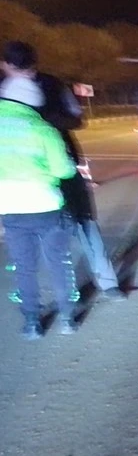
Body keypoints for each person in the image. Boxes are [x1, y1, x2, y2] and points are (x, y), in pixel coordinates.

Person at [1, 41, 126, 302]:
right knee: (28, 239)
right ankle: (42, 301)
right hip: (20, 177)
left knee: (83, 220)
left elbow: (77, 118)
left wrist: (47, 121)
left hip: (60, 166)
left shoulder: (53, 85)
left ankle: (105, 282)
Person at [0, 74, 79, 338]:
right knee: (57, 261)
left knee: (24, 266)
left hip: (10, 208)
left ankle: (32, 323)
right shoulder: (43, 129)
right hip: (45, 206)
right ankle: (68, 318)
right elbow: (64, 170)